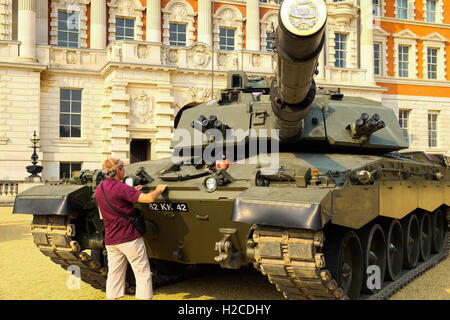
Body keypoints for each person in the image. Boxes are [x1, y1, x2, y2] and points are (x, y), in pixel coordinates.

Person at [95, 157, 167, 300]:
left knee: (114, 273)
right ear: (118, 171)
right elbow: (148, 199)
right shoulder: (121, 188)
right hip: (128, 237)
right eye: (123, 168)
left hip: (111, 240)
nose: (124, 171)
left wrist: (131, 190)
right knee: (142, 272)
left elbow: (115, 197)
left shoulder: (100, 188)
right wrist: (158, 190)